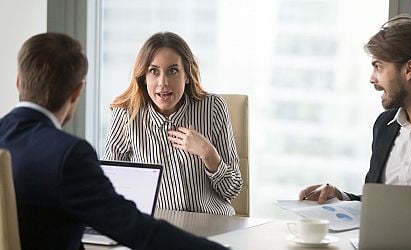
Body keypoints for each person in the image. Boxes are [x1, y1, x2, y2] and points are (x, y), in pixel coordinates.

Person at [0, 32, 228, 250]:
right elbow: (134, 229)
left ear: (19, 82)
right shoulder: (69, 154)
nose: (162, 82)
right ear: (77, 92)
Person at [299, 16, 411, 203]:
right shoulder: (384, 125)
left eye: (378, 67)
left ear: (409, 69)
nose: (372, 79)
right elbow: (380, 206)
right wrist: (339, 197)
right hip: (382, 234)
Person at [103, 32, 242, 216]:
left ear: (187, 75)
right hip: (158, 229)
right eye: (154, 71)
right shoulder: (126, 115)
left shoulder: (213, 107)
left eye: (173, 71)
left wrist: (207, 153)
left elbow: (231, 190)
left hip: (212, 225)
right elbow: (108, 190)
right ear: (144, 77)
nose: (163, 82)